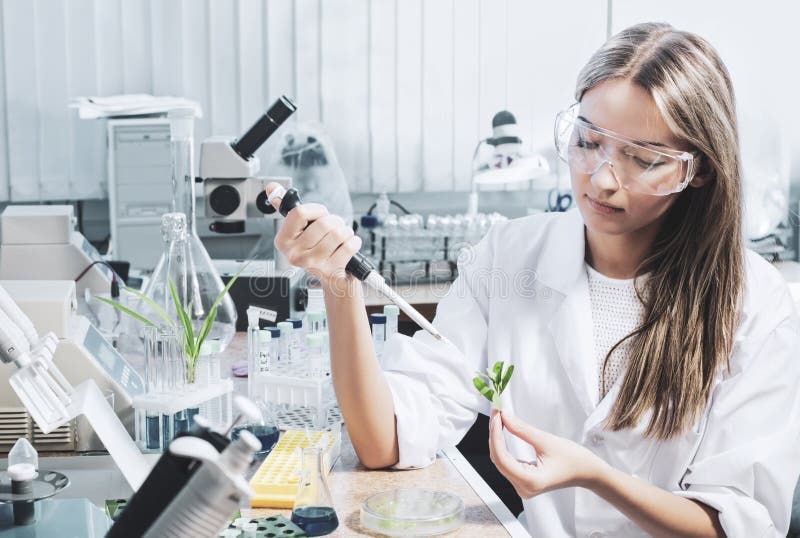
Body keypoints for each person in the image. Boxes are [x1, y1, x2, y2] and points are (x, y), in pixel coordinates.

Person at [266, 22, 800, 537]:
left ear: (697, 170)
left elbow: (740, 524)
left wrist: (595, 476)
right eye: (588, 141)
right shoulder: (508, 258)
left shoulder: (755, 303)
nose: (602, 179)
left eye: (641, 159)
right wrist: (338, 282)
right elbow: (385, 442)